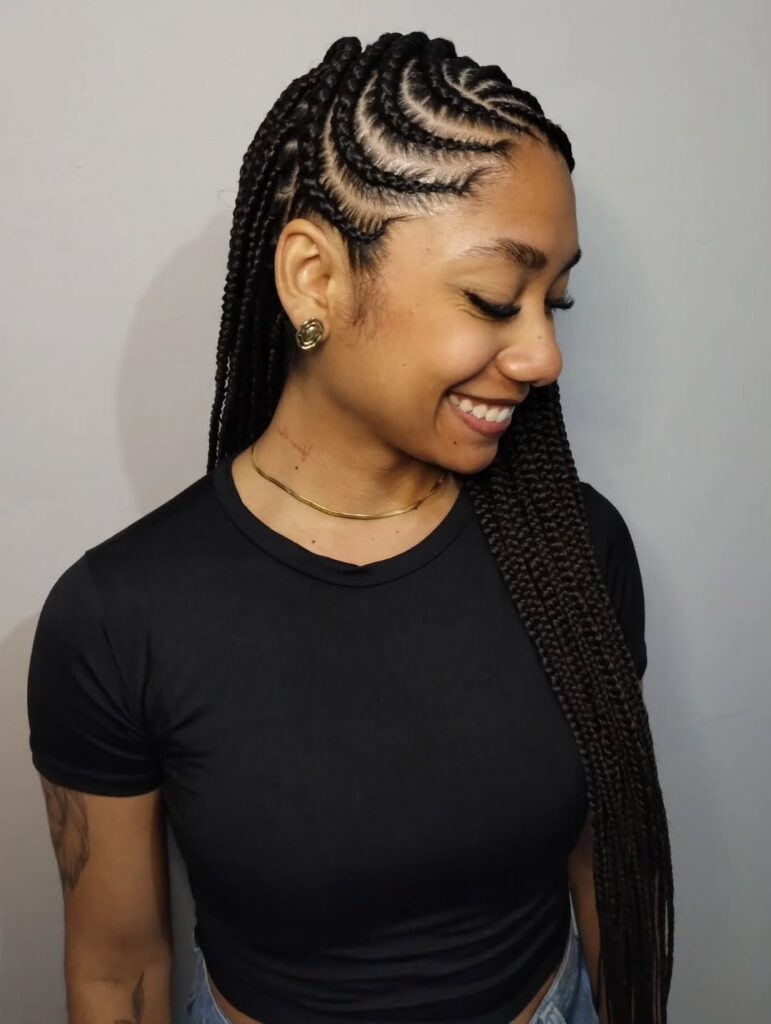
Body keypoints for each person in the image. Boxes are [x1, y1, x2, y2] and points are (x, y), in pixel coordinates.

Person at [26, 30, 674, 1024]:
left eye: (556, 301)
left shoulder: (573, 550)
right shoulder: (120, 618)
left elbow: (612, 873)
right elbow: (120, 973)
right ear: (315, 279)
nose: (543, 353)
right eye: (496, 297)